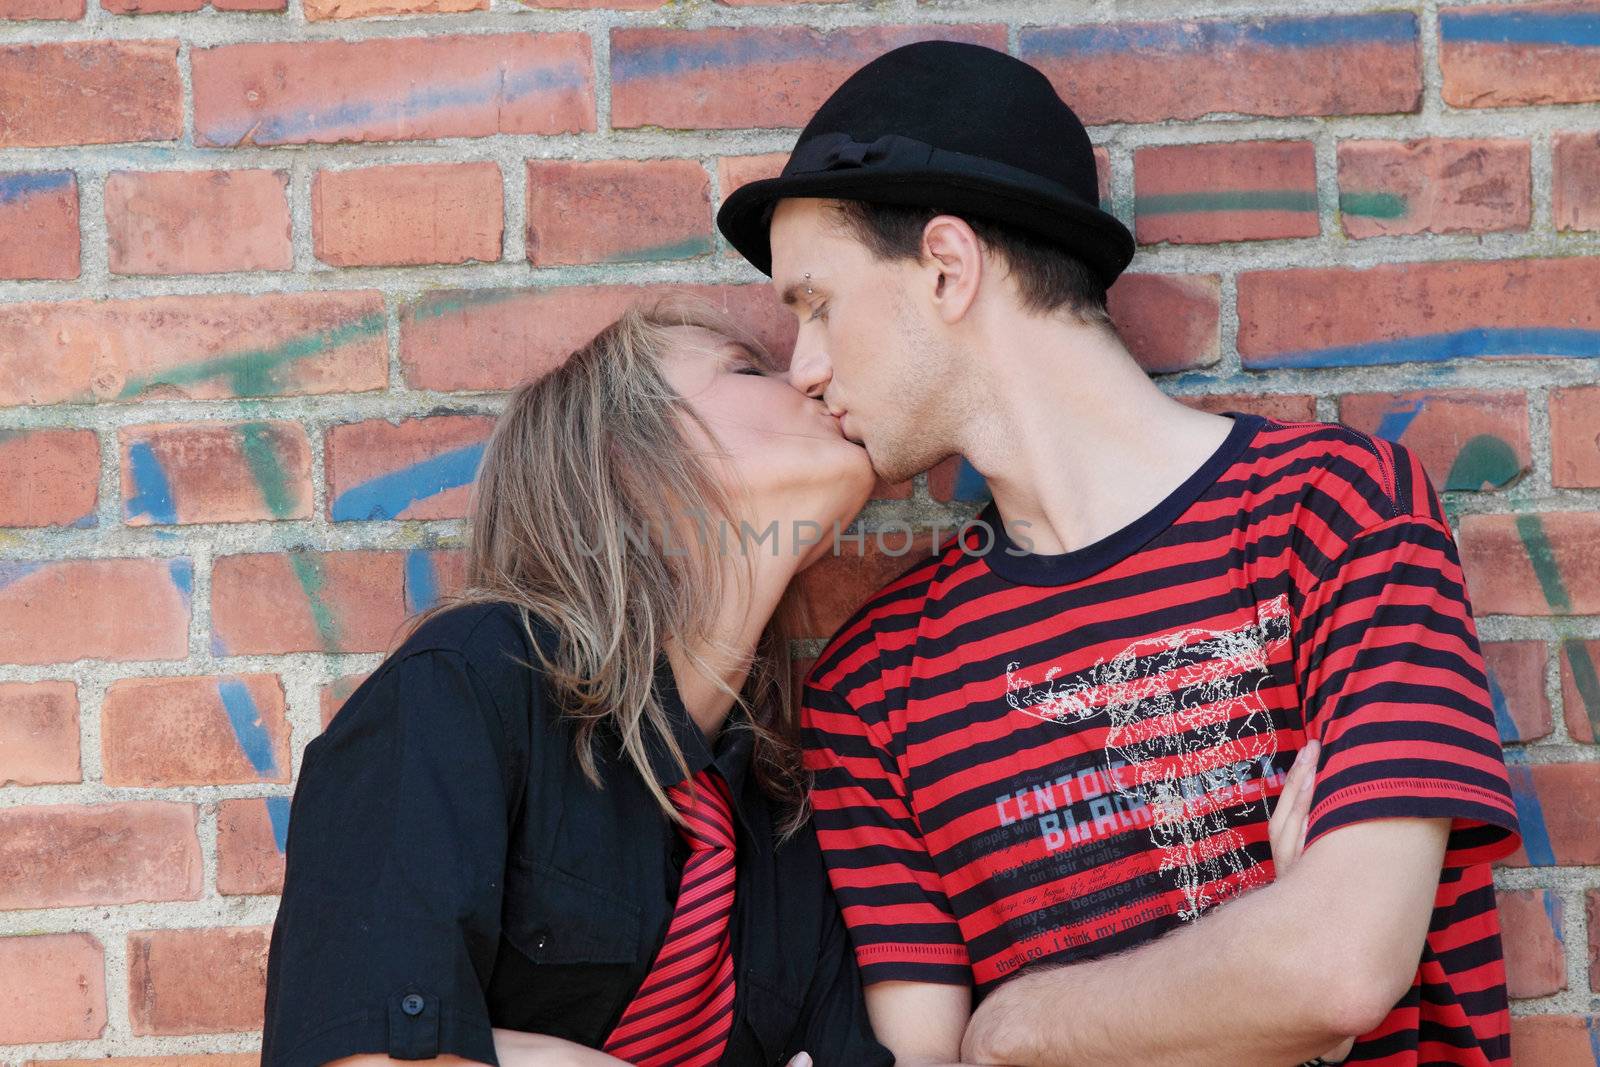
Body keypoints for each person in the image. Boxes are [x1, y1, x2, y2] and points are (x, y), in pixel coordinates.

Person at [715, 39, 1525, 1067]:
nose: (805, 367)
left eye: (815, 303)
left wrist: (1012, 1025)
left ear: (947, 266)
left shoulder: (1329, 512)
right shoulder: (876, 686)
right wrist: (1247, 973)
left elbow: (1335, 966)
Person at [256, 292, 897, 1067]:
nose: (807, 378)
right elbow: (365, 1053)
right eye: (746, 367)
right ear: (634, 455)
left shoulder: (788, 817)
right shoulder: (464, 689)